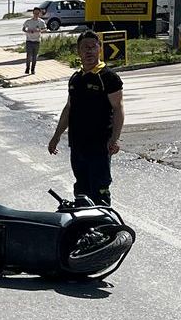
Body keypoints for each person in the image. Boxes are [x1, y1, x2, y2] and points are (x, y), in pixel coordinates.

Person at [48, 30, 125, 206]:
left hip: (100, 143)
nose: (89, 51)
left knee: (99, 189)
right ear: (79, 51)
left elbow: (118, 109)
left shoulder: (108, 77)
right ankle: (84, 220)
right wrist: (56, 136)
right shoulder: (75, 78)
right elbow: (69, 108)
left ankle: (103, 220)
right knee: (81, 188)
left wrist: (116, 138)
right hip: (77, 143)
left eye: (93, 47)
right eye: (85, 47)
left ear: (99, 49)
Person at [22, 7, 47, 75]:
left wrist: (40, 30)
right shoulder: (28, 21)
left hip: (37, 41)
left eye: (37, 13)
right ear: (33, 13)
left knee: (34, 56)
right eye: (35, 13)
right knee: (28, 55)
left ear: (39, 14)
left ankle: (33, 69)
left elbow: (45, 29)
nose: (36, 14)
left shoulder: (41, 21)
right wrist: (27, 31)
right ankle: (27, 68)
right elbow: (23, 29)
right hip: (29, 40)